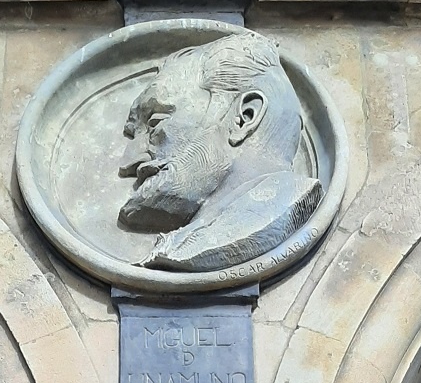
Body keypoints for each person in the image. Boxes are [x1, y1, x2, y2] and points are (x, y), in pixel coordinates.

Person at [117, 31, 322, 272]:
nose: (129, 161)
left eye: (155, 123)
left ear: (244, 118)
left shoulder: (258, 220)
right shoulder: (188, 240)